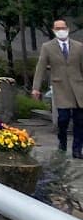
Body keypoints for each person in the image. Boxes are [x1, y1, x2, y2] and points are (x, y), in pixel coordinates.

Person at [32, 19, 83, 157]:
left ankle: (77, 149)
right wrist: (36, 88)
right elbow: (41, 67)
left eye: (63, 27)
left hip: (78, 88)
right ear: (54, 30)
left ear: (67, 28)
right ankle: (62, 142)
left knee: (79, 120)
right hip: (61, 88)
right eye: (57, 28)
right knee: (63, 119)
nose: (61, 30)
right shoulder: (48, 47)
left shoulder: (79, 46)